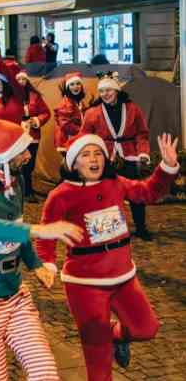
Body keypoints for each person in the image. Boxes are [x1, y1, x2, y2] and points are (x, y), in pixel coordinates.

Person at [0, 119, 84, 381]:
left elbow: (15, 227)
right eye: (23, 150)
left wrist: (35, 264)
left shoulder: (14, 182)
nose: (28, 156)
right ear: (6, 155)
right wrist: (37, 230)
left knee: (45, 371)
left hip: (14, 293)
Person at [36, 133, 179, 381]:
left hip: (123, 276)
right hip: (84, 285)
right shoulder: (60, 195)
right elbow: (46, 233)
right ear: (73, 163)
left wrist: (166, 167)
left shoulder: (116, 182)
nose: (94, 159)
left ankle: (113, 335)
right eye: (85, 154)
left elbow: (148, 192)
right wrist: (47, 263)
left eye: (98, 153)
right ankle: (103, 339)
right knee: (98, 360)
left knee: (146, 328)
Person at [80, 74, 153, 240]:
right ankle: (107, 231)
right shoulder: (92, 112)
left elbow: (142, 134)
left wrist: (142, 152)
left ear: (117, 90)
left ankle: (141, 228)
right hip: (105, 157)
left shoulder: (133, 109)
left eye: (109, 90)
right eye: (102, 91)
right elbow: (84, 136)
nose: (105, 94)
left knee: (136, 192)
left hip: (129, 156)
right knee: (104, 194)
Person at [16, 72, 51, 200]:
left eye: (23, 79)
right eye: (18, 79)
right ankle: (18, 189)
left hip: (32, 134)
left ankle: (28, 190)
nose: (20, 81)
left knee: (29, 163)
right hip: (16, 134)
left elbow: (46, 112)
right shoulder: (10, 96)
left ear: (27, 81)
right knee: (16, 162)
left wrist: (36, 120)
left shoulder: (35, 96)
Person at [53, 72, 87, 154]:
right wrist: (83, 131)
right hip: (67, 139)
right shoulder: (66, 103)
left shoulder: (79, 101)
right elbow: (65, 124)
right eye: (72, 84)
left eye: (78, 83)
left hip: (75, 138)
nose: (75, 87)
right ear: (67, 87)